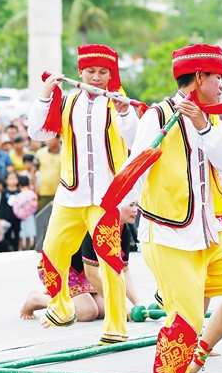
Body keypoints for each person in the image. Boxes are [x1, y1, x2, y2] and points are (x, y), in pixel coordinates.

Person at [124, 44, 222, 373]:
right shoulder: (157, 115)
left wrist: (204, 126)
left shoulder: (212, 121)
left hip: (206, 233)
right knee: (188, 319)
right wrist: (123, 204)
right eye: (218, 77)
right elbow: (136, 164)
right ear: (200, 77)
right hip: (167, 234)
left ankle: (172, 291)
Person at [28, 43, 138, 343]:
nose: (96, 77)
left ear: (111, 74)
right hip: (69, 195)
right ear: (80, 72)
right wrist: (45, 94)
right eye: (90, 71)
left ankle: (116, 326)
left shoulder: (118, 103)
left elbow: (136, 140)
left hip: (105, 199)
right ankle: (61, 307)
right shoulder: (66, 102)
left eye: (103, 72)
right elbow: (37, 132)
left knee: (109, 263)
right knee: (51, 252)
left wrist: (126, 112)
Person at [20, 203, 139, 321]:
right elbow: (92, 275)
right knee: (88, 312)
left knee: (103, 310)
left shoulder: (124, 229)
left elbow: (124, 271)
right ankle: (36, 299)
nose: (135, 210)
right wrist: (120, 305)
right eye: (130, 205)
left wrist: (137, 303)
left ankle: (61, 297)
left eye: (136, 205)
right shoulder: (96, 225)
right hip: (59, 268)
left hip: (82, 273)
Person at [33, 135, 61, 212]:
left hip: (59, 193)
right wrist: (35, 187)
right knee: (42, 215)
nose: (48, 142)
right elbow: (33, 171)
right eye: (47, 139)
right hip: (43, 192)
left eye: (51, 139)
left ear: (58, 139)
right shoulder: (40, 153)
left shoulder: (64, 153)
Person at [0, 171, 21, 252]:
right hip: (7, 217)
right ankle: (7, 249)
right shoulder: (4, 192)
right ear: (6, 180)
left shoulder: (19, 192)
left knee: (17, 232)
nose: (13, 180)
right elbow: (2, 204)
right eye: (10, 178)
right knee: (7, 233)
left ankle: (16, 248)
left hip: (17, 217)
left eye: (15, 178)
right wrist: (1, 216)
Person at [14, 175, 38, 251]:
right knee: (30, 232)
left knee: (22, 233)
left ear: (20, 185)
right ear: (29, 184)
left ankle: (20, 248)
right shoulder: (33, 194)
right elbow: (35, 205)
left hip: (23, 217)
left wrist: (21, 215)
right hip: (30, 216)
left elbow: (16, 207)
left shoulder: (19, 195)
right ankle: (29, 247)